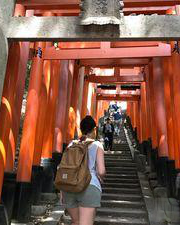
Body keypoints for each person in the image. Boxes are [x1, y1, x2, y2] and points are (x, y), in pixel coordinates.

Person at [62, 115, 106, 225]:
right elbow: (101, 171)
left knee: (75, 222)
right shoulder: (97, 145)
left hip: (69, 186)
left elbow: (63, 167)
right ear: (94, 129)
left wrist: (61, 190)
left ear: (81, 129)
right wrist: (102, 178)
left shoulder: (71, 144)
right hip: (89, 185)